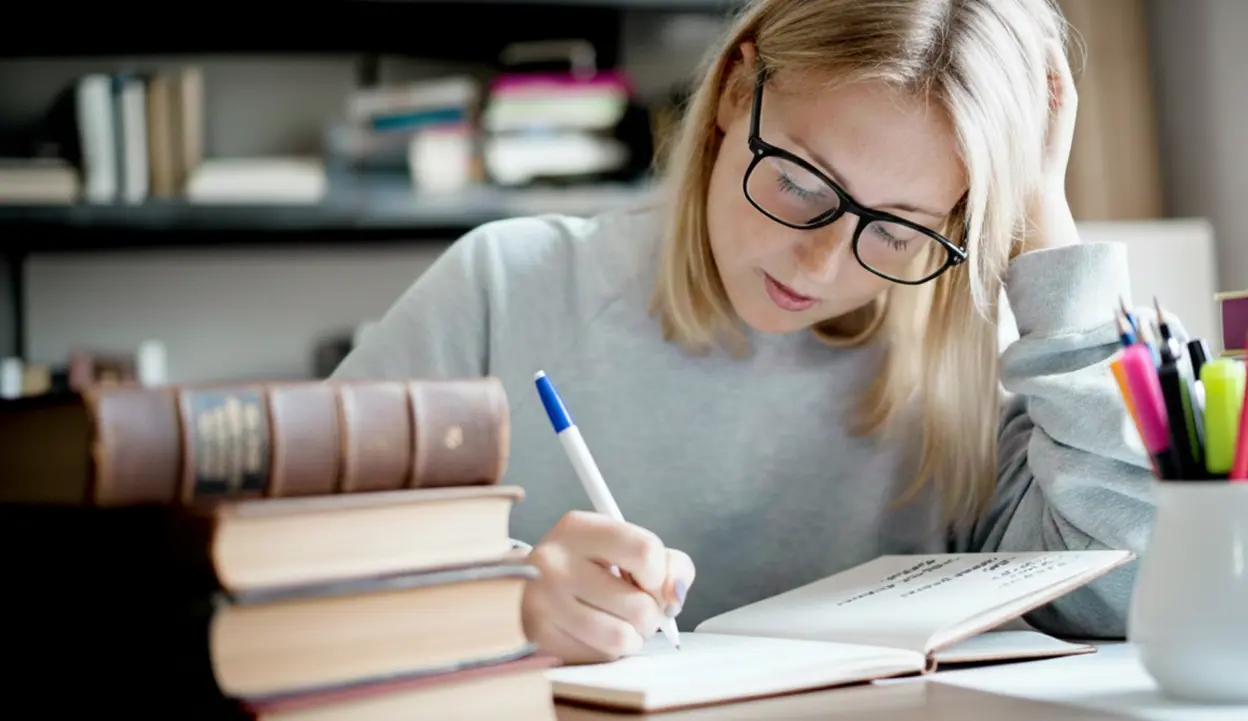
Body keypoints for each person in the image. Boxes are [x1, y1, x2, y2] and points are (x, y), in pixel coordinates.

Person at [332, 0, 1178, 665]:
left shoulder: (974, 369)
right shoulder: (506, 287)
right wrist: (499, 594)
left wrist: (1048, 231)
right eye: (803, 182)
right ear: (738, 89)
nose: (818, 264)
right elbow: (275, 564)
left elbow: (1136, 591)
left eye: (897, 227)